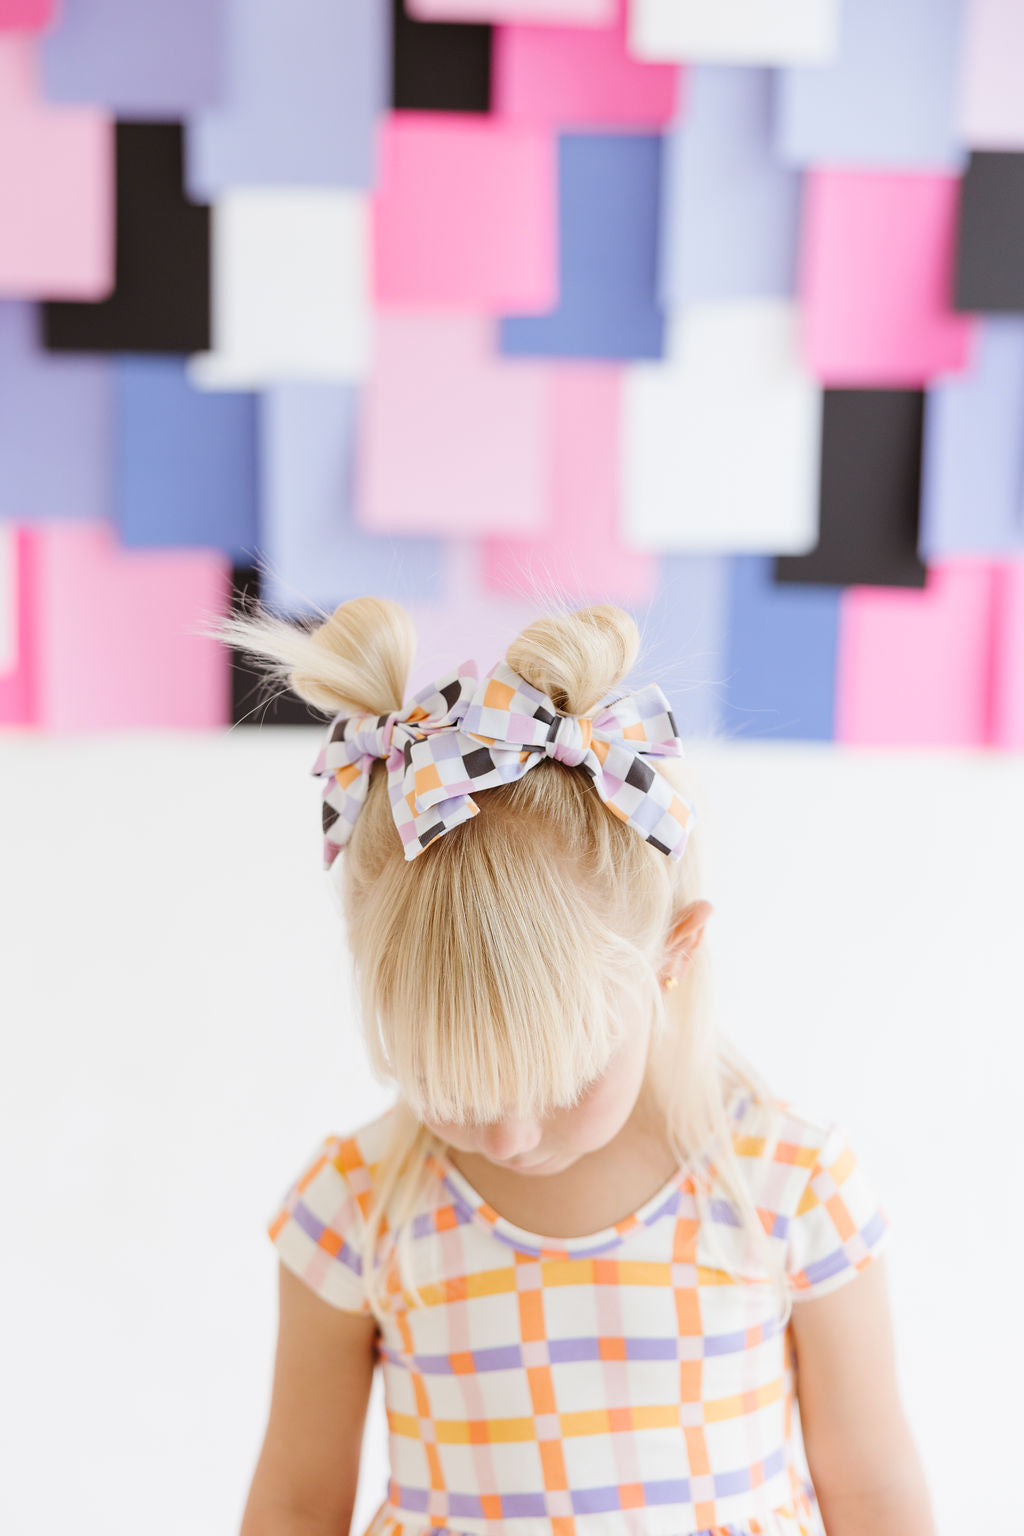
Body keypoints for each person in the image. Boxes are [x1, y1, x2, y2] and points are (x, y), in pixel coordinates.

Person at [215, 596, 935, 1536]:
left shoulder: (789, 1190)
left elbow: (874, 1493)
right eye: (453, 1086)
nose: (511, 1136)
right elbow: (296, 1504)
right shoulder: (354, 1212)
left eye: (562, 1083)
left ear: (674, 956)